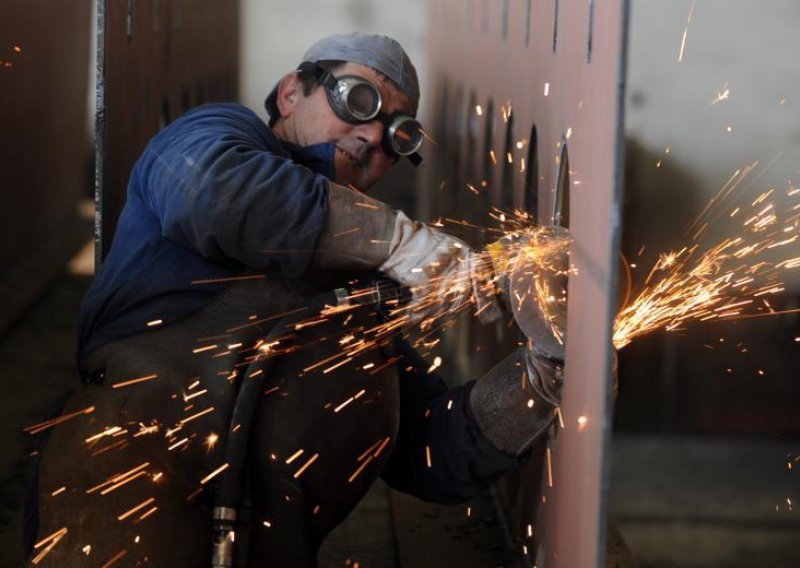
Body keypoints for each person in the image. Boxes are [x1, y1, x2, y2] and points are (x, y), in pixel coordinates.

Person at [30, 33, 563, 566]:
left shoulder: (361, 297)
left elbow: (433, 451)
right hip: (125, 492)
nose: (373, 136)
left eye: (398, 135)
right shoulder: (215, 137)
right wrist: (397, 241)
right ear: (291, 93)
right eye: (359, 101)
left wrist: (543, 372)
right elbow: (216, 195)